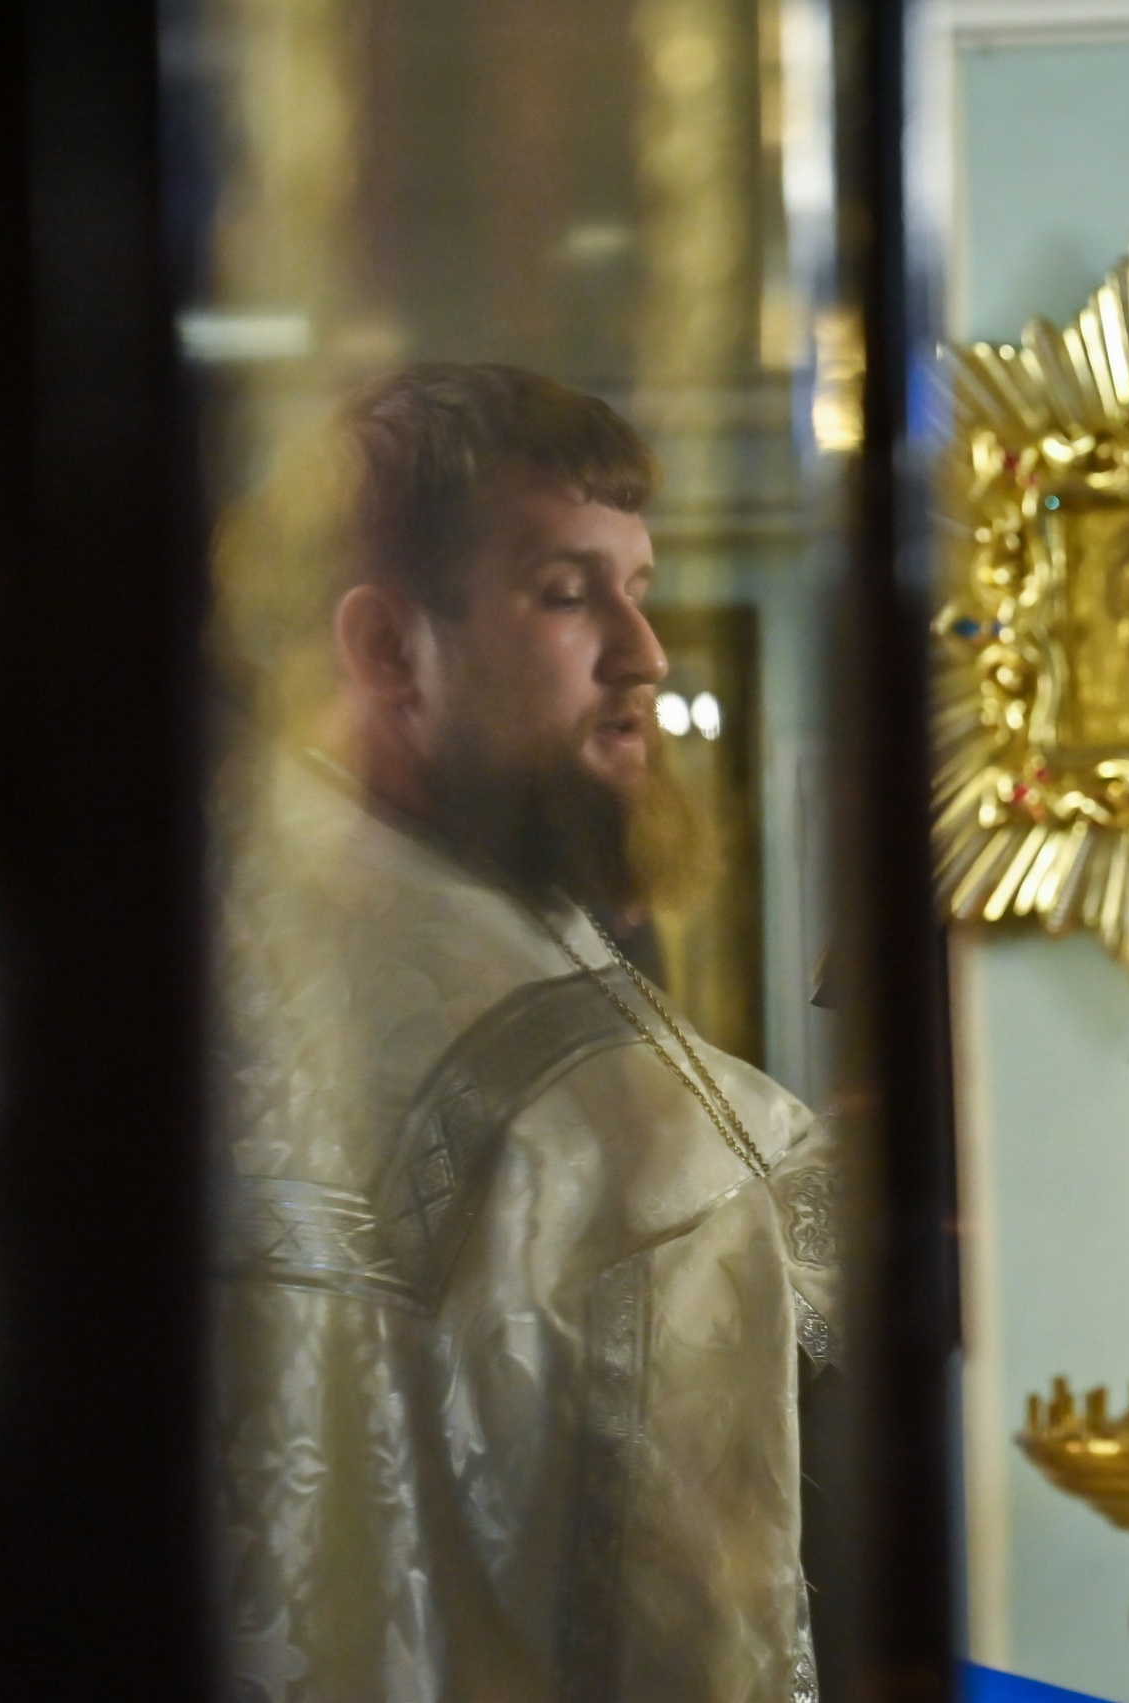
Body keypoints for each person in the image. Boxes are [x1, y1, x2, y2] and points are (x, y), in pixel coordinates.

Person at [212, 364, 838, 1702]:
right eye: (566, 592)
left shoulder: (156, 930)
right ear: (385, 646)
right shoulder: (612, 1117)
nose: (644, 652)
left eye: (641, 586)